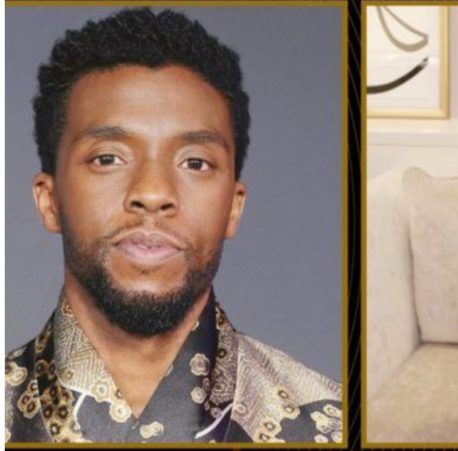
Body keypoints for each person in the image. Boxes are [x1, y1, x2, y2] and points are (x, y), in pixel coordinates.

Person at [5, 8, 342, 443]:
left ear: (233, 208)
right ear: (49, 201)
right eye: (108, 158)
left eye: (195, 162)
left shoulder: (332, 424)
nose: (153, 191)